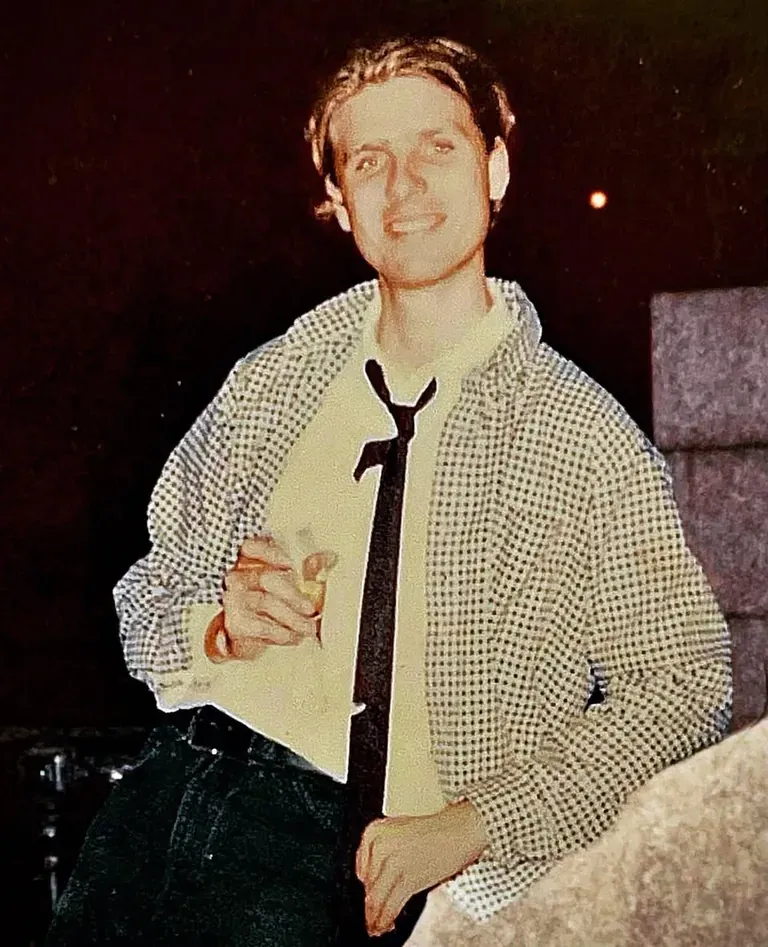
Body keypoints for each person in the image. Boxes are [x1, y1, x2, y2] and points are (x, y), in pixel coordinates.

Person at [45, 35, 732, 947]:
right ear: (338, 201)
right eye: (369, 160)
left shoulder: (582, 436)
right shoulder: (270, 385)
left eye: (436, 148)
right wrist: (219, 622)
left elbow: (685, 683)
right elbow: (145, 596)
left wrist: (478, 821)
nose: (403, 185)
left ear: (495, 169)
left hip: (364, 865)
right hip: (162, 813)